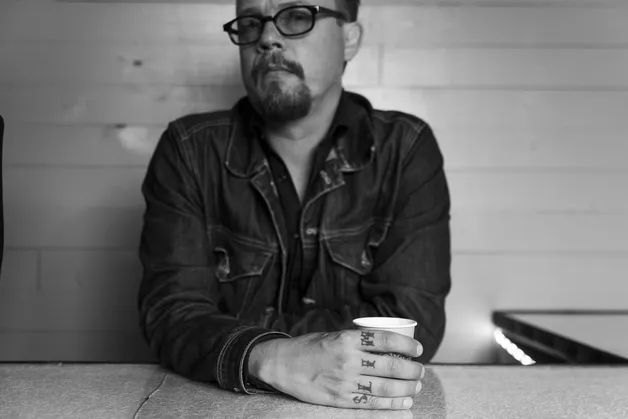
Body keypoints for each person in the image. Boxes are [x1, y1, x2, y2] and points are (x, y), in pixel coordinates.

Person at [138, 0, 451, 411]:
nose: (267, 37)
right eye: (251, 22)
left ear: (349, 39)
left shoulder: (405, 149)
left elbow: (412, 320)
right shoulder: (188, 150)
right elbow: (172, 314)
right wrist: (273, 358)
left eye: (298, 16)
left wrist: (247, 344)